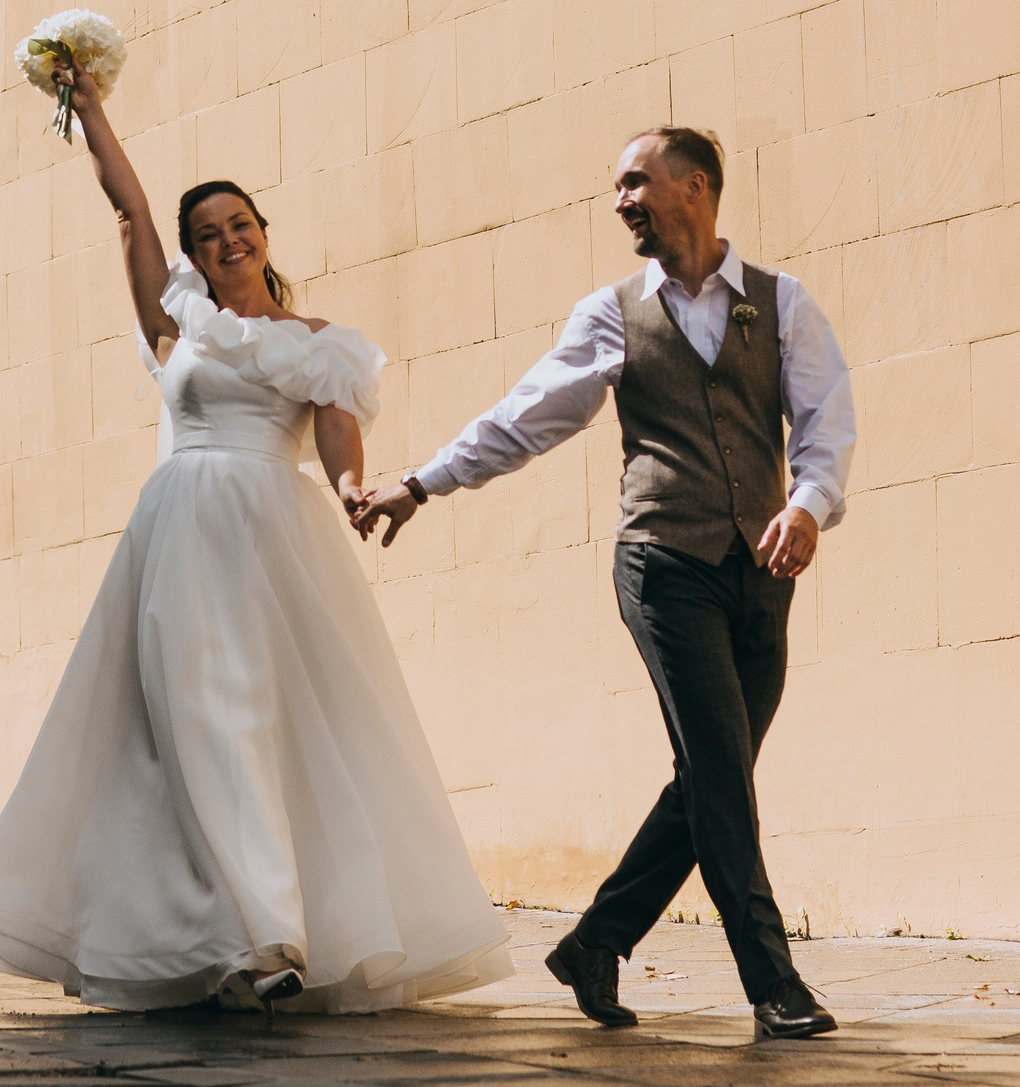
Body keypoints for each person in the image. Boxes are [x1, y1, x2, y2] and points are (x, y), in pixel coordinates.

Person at [0, 62, 513, 1013]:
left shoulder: (319, 339)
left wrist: (349, 490)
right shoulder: (180, 323)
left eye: (239, 224)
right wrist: (90, 113)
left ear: (262, 232)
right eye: (206, 235)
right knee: (194, 720)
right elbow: (129, 209)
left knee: (271, 726)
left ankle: (275, 929)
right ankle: (259, 935)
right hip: (181, 533)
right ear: (195, 255)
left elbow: (337, 427)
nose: (225, 240)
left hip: (275, 541)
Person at [353, 127, 856, 1042]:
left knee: (717, 773)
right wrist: (425, 481)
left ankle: (596, 940)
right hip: (663, 563)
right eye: (618, 186)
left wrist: (812, 504)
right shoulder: (612, 311)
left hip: (762, 568)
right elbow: (529, 414)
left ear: (694, 185)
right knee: (719, 770)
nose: (621, 199)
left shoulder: (783, 303)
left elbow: (826, 416)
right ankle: (773, 982)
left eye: (636, 181)